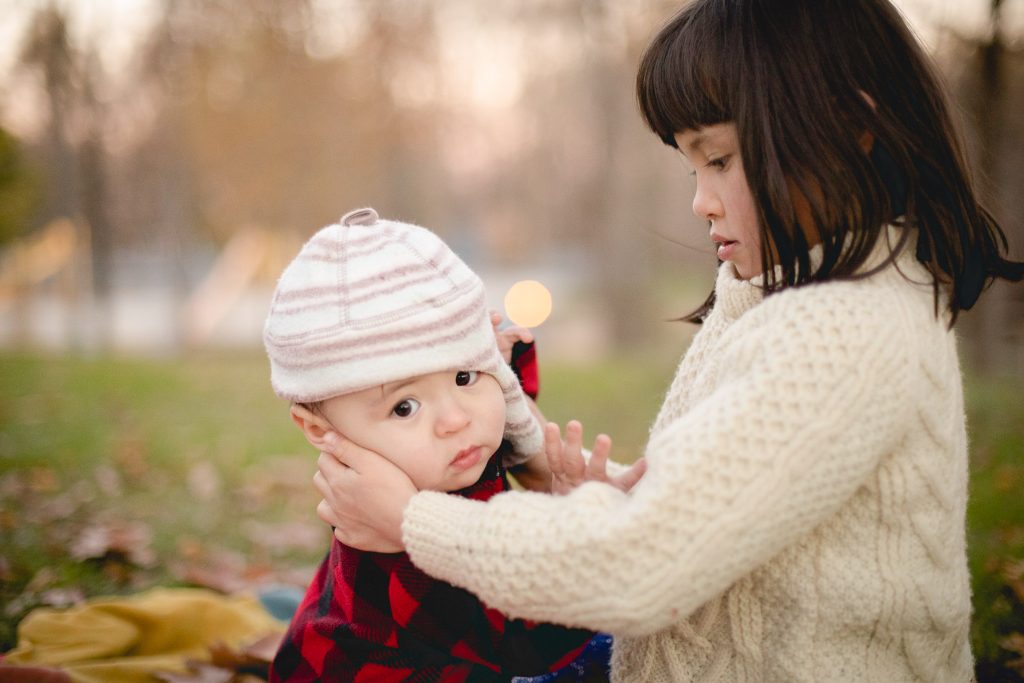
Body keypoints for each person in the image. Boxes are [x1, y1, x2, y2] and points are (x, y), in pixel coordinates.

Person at [311, 1, 1024, 682]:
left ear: (851, 128)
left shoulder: (847, 332)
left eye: (719, 161)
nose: (700, 200)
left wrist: (409, 520)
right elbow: (729, 511)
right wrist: (616, 501)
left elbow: (642, 569)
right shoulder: (788, 295)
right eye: (692, 167)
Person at [263, 207, 631, 681]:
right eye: (404, 407)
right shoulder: (380, 536)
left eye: (463, 375)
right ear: (319, 429)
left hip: (502, 632)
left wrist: (566, 508)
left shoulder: (456, 448)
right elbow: (472, 646)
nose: (456, 420)